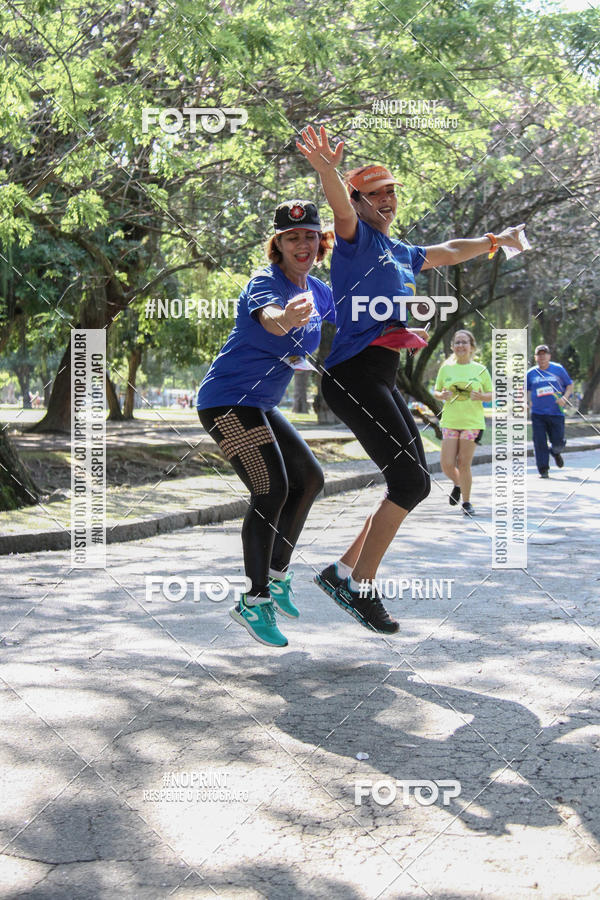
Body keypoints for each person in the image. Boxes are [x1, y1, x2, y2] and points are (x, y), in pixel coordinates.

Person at [297, 124, 525, 635]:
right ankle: (360, 586)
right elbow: (336, 206)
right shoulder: (355, 239)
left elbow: (446, 250)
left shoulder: (400, 252)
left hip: (379, 376)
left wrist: (496, 241)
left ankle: (341, 572)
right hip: (353, 376)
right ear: (359, 202)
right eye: (374, 195)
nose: (386, 201)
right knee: (411, 482)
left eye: (390, 194)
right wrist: (328, 171)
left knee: (411, 477)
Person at [197, 200, 335, 648]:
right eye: (293, 237)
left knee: (310, 478)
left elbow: (355, 323)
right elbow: (272, 321)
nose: (303, 244)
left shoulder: (320, 289)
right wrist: (288, 317)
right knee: (270, 488)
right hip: (225, 401)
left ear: (320, 242)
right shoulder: (264, 282)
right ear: (278, 243)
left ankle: (276, 576)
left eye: (310, 236)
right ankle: (253, 602)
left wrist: (394, 329)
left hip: (260, 404)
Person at [433, 330, 492, 516]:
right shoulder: (446, 368)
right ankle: (457, 484)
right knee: (447, 464)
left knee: (463, 463)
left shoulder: (480, 369)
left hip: (472, 423)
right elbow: (436, 390)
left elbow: (492, 393)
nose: (460, 345)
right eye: (457, 342)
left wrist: (482, 396)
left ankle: (466, 503)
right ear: (452, 346)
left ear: (472, 347)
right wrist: (441, 395)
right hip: (450, 421)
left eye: (464, 342)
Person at [526, 344, 573, 477]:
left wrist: (564, 397)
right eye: (539, 355)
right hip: (538, 414)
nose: (542, 357)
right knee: (539, 442)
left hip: (556, 412)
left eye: (544, 354)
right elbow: (525, 390)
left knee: (558, 442)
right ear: (535, 357)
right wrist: (526, 402)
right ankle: (543, 469)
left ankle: (556, 451)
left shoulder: (558, 369)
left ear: (549, 356)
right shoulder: (531, 373)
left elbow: (569, 385)